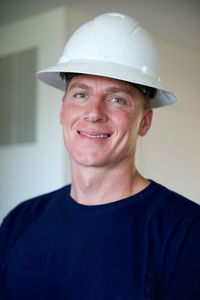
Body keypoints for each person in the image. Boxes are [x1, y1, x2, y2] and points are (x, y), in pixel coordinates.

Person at [0, 12, 199, 300]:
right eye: (81, 94)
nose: (93, 113)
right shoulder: (19, 222)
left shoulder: (187, 234)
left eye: (117, 99)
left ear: (144, 122)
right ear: (62, 110)